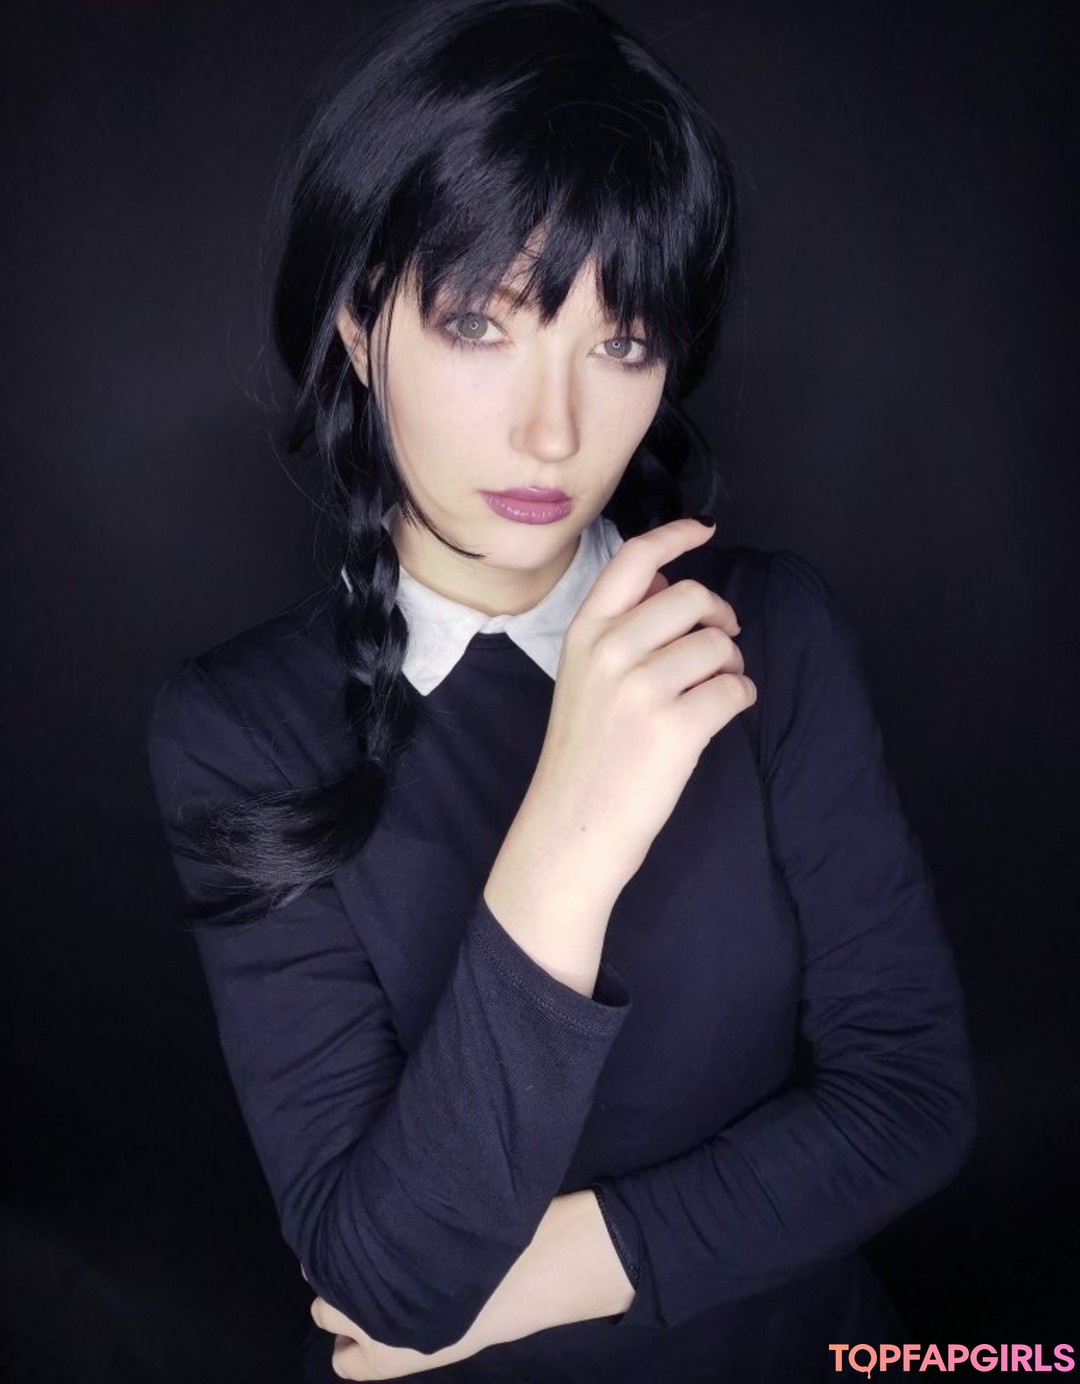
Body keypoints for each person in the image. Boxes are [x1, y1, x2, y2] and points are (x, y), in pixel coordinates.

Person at [144, 0, 976, 1379]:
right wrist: (570, 839)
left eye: (622, 342)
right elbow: (386, 1267)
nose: (554, 432)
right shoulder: (239, 731)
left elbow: (911, 1101)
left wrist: (519, 1287)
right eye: (480, 323)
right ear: (358, 323)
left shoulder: (770, 632)